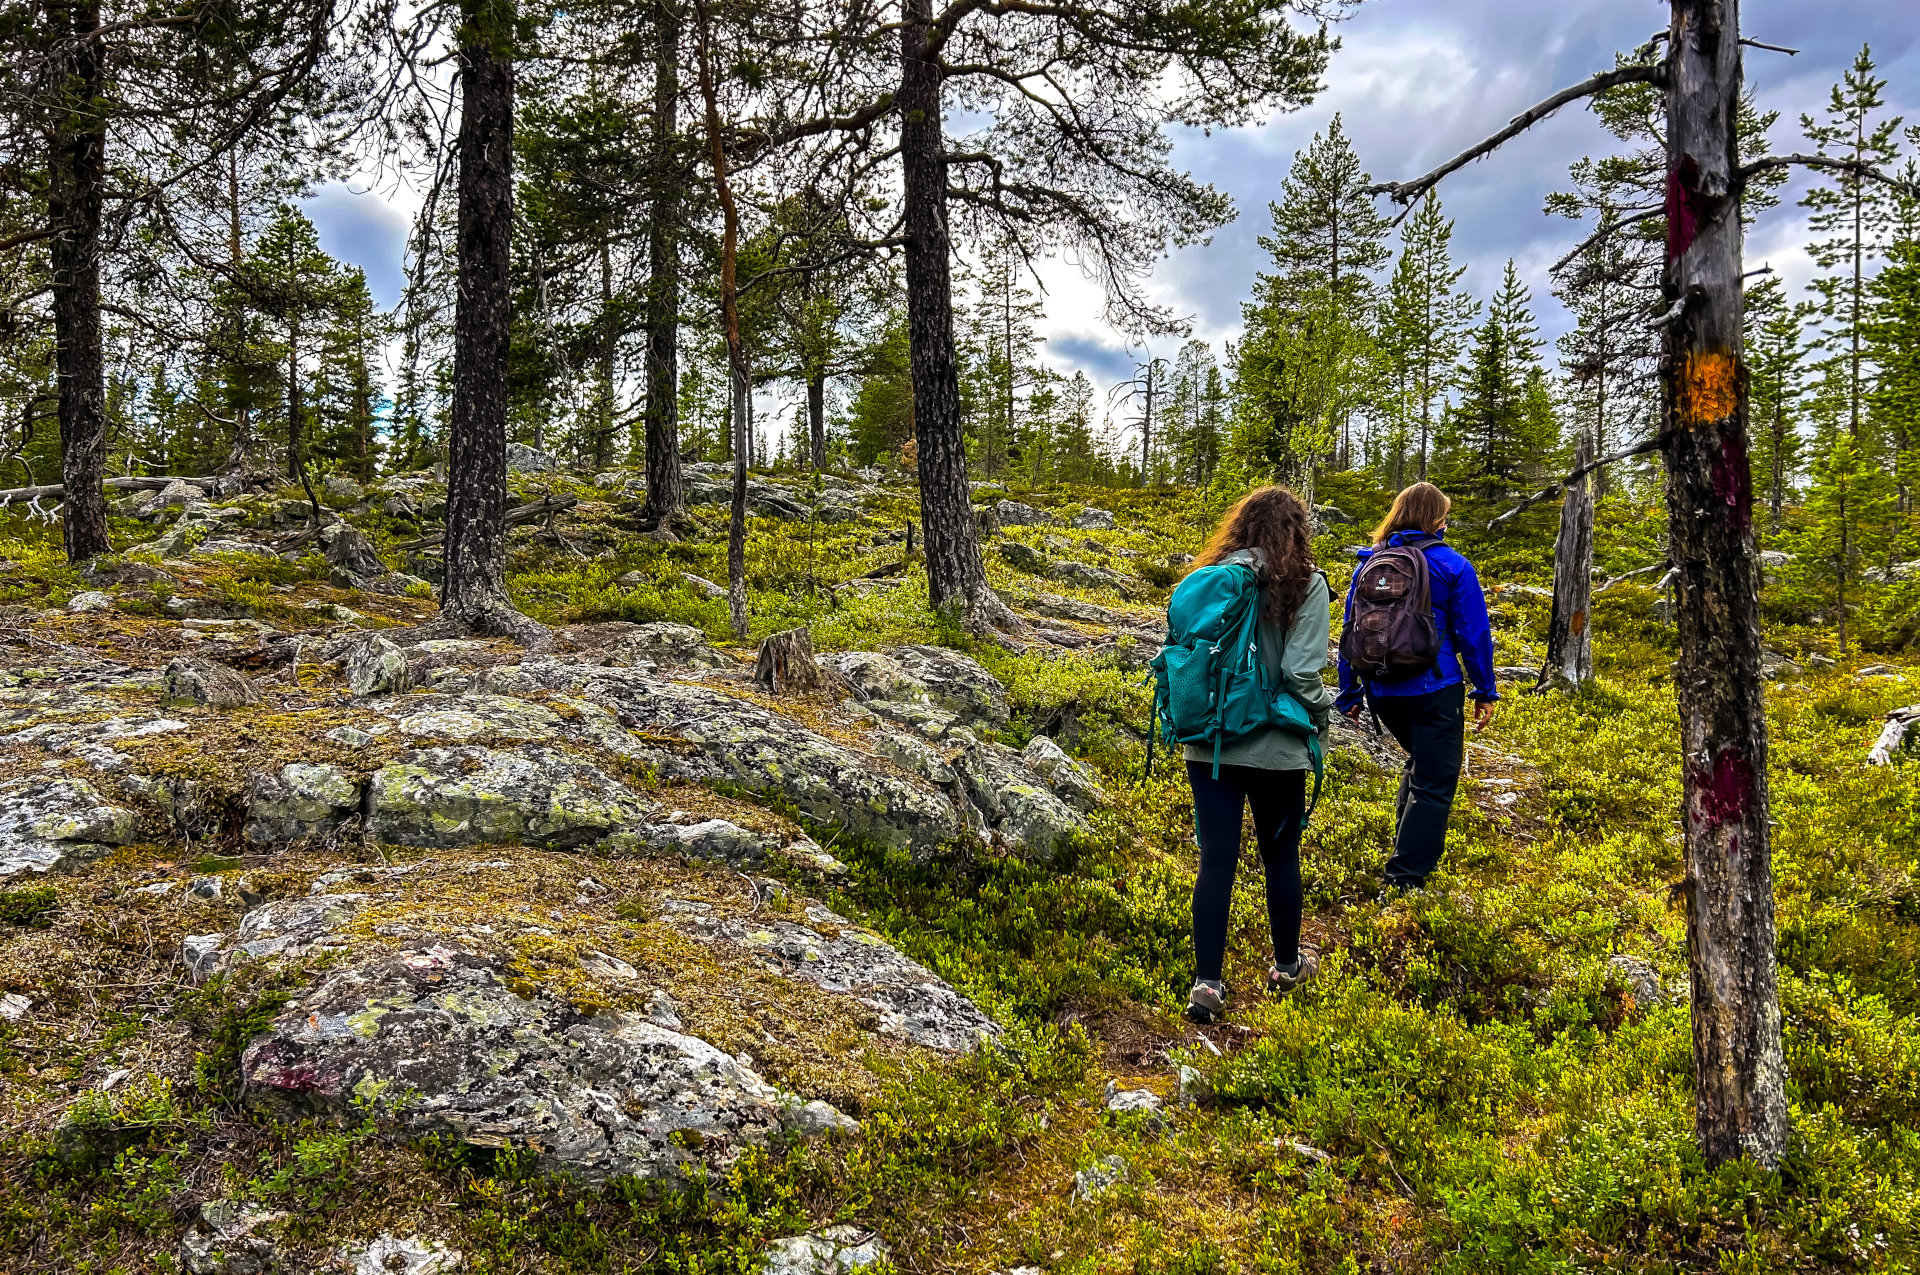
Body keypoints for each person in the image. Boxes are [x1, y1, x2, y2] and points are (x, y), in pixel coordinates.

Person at [1181, 486, 1334, 1024]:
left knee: (1216, 860)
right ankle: (1288, 968)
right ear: (1297, 532)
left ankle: (1207, 985)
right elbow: (1299, 672)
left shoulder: (1214, 580)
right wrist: (1323, 710)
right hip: (1276, 748)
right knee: (1280, 858)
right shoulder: (1308, 585)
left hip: (1212, 742)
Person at [1335, 482, 1497, 897]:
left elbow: (1351, 631)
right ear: (1437, 519)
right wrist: (1485, 690)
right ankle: (1405, 881)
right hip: (1433, 687)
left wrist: (1350, 691)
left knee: (1421, 765)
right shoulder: (1453, 565)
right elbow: (1473, 633)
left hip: (1382, 691)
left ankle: (1404, 857)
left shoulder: (1370, 563)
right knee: (1435, 780)